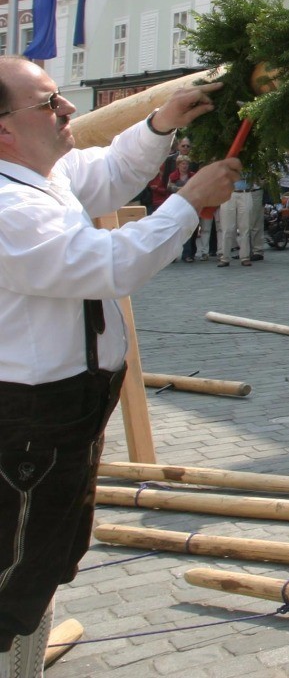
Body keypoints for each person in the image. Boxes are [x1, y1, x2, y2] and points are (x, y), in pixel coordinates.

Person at [0, 60, 238, 677]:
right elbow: (113, 263)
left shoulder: (38, 173)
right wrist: (187, 204)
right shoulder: (8, 206)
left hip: (64, 412)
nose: (67, 109)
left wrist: (159, 125)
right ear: (4, 129)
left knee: (48, 560)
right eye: (48, 102)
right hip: (29, 421)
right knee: (13, 577)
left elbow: (106, 173)